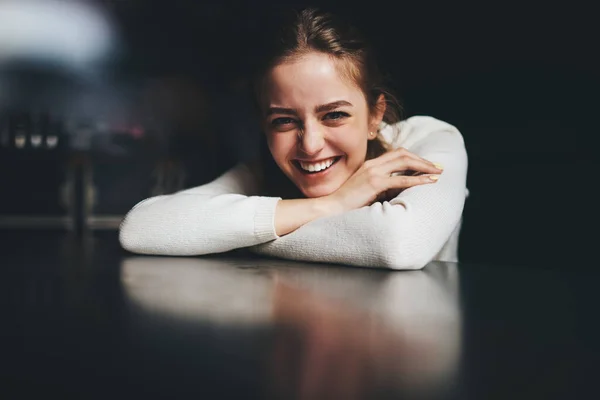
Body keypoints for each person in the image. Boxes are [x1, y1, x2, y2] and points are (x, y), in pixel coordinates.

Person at [119, 7, 469, 270]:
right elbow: (140, 228)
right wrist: (332, 204)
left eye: (334, 115)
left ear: (375, 115)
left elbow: (398, 243)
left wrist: (234, 238)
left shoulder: (430, 138)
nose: (311, 145)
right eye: (284, 121)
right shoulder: (262, 172)